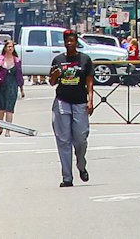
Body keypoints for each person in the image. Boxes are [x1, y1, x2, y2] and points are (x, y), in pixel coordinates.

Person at [50, 29, 95, 187]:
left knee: (81, 139)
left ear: (76, 42)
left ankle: (81, 165)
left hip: (80, 102)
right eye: (66, 41)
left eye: (72, 41)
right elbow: (51, 81)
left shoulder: (84, 59)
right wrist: (55, 74)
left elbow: (89, 81)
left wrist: (90, 100)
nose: (69, 43)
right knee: (63, 141)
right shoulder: (58, 59)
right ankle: (67, 177)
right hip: (62, 101)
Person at [0, 40, 24, 123]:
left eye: (12, 46)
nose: (10, 48)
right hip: (0, 85)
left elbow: (19, 75)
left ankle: (8, 130)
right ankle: (1, 124)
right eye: (8, 46)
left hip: (12, 86)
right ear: (5, 48)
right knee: (0, 109)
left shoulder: (17, 60)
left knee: (9, 109)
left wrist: (22, 90)